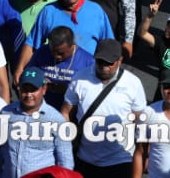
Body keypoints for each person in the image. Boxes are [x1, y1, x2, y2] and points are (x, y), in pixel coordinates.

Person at [60, 39, 146, 178]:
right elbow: (66, 112)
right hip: (85, 160)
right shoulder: (80, 78)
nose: (104, 66)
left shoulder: (133, 83)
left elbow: (141, 121)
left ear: (120, 60)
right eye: (100, 61)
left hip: (120, 161)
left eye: (109, 63)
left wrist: (142, 153)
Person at [0, 67, 74, 178]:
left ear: (44, 89)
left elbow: (65, 160)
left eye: (33, 90)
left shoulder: (56, 119)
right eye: (25, 89)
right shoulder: (6, 113)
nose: (29, 94)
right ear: (19, 89)